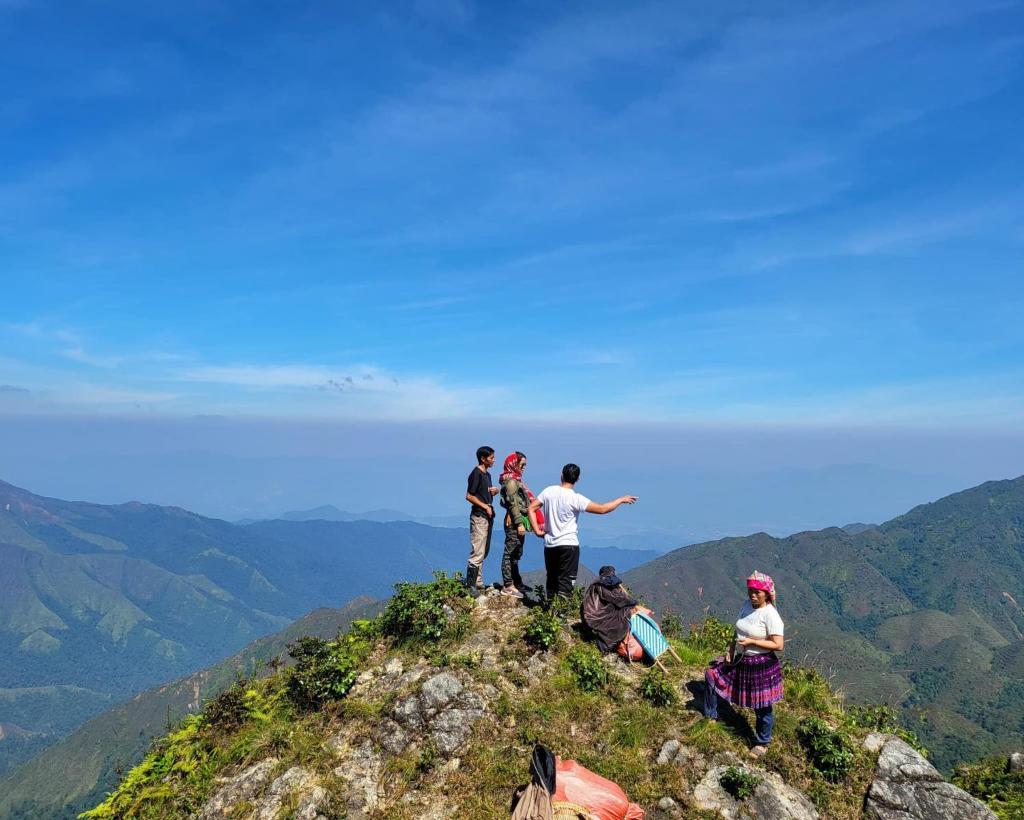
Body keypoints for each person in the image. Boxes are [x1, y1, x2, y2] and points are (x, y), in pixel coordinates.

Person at [527, 463, 637, 602]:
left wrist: (537, 530)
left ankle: (549, 612)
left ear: (561, 475)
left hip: (550, 544)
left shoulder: (549, 492)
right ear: (577, 479)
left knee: (552, 579)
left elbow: (531, 508)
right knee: (566, 583)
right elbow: (602, 509)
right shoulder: (576, 498)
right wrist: (620, 500)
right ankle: (560, 616)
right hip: (568, 545)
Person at [703, 570, 785, 758]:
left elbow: (778, 644)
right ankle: (711, 716)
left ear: (767, 594)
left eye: (757, 592)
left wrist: (752, 643)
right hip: (742, 658)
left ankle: (762, 743)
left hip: (761, 664)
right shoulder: (747, 605)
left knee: (762, 705)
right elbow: (738, 628)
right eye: (750, 591)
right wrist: (731, 648)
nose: (753, 595)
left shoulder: (770, 615)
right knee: (712, 675)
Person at [497, 451, 541, 599]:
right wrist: (519, 523)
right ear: (514, 464)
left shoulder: (516, 480)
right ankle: (508, 585)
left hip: (518, 520)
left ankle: (516, 582)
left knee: (516, 553)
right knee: (510, 552)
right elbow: (513, 503)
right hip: (515, 523)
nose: (523, 468)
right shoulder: (511, 482)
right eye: (522, 465)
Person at [464, 445, 498, 592]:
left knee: (484, 550)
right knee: (477, 550)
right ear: (483, 459)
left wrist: (495, 491)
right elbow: (469, 496)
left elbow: (481, 494)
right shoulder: (476, 473)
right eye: (491, 458)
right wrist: (485, 506)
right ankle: (471, 586)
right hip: (479, 516)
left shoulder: (487, 475)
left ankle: (478, 583)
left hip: (487, 516)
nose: (493, 460)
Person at [581, 565, 638, 652]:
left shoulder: (597, 583)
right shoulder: (605, 583)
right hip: (596, 616)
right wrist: (632, 602)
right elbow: (616, 598)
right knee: (622, 619)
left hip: (588, 616)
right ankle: (604, 644)